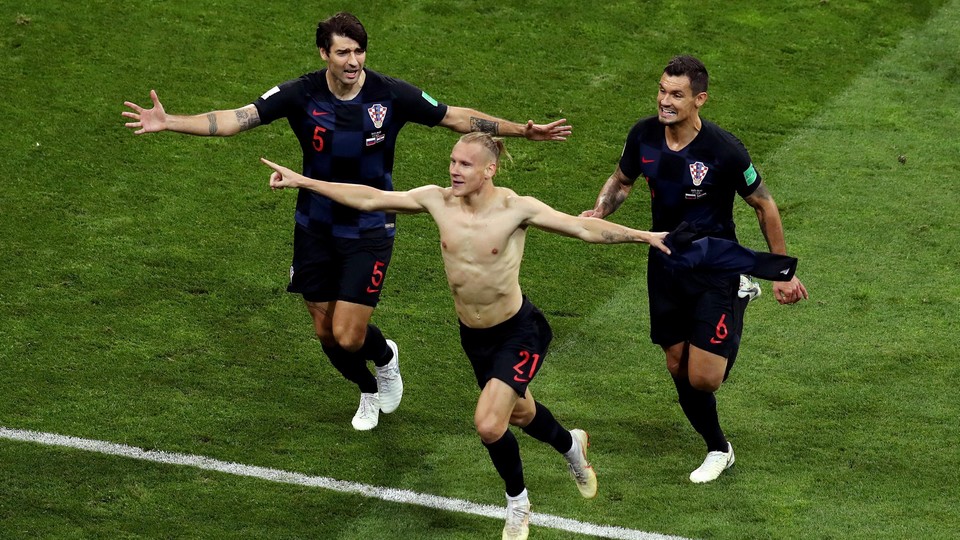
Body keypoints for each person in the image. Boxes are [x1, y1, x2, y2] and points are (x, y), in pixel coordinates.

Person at [121, 12, 572, 431]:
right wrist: (171, 122)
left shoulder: (390, 93)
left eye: (359, 51)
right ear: (324, 54)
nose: (353, 61)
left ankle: (384, 356)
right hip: (314, 225)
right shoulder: (300, 93)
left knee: (347, 333)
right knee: (324, 331)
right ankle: (369, 388)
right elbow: (239, 118)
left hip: (369, 229)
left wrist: (521, 131)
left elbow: (455, 117)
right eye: (343, 52)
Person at [261, 132, 669, 540]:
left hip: (519, 332)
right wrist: (304, 181)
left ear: (489, 170)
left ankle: (518, 505)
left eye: (465, 164)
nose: (454, 170)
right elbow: (369, 198)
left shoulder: (516, 209)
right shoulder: (437, 200)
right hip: (474, 338)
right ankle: (571, 446)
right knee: (521, 414)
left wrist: (644, 236)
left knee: (490, 425)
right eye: (453, 161)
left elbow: (583, 229)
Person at [581, 55, 808, 484]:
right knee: (675, 365)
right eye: (663, 91)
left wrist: (780, 272)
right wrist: (600, 209)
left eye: (676, 95)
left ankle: (741, 291)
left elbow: (764, 204)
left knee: (704, 379)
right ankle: (719, 448)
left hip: (714, 265)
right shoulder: (643, 135)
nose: (665, 101)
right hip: (665, 262)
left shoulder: (723, 149)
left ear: (699, 99)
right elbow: (621, 181)